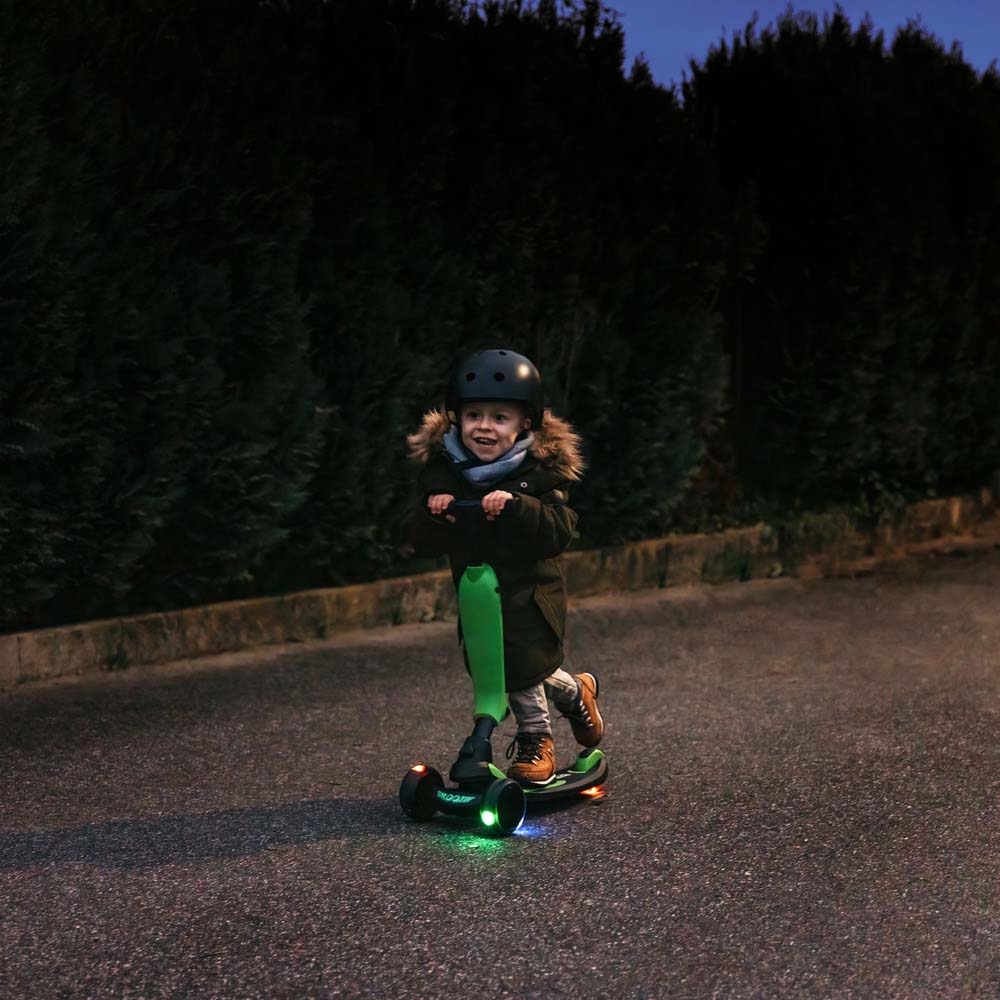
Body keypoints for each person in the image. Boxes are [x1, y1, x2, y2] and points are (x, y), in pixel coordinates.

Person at [405, 348, 604, 785]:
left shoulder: (541, 474)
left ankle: (536, 740)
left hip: (531, 593)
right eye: (474, 415)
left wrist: (518, 507)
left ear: (525, 424)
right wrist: (436, 514)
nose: (484, 426)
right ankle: (578, 693)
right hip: (479, 593)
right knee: (498, 668)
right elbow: (418, 542)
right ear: (457, 418)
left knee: (518, 663)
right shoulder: (445, 475)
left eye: (500, 417)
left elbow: (558, 531)